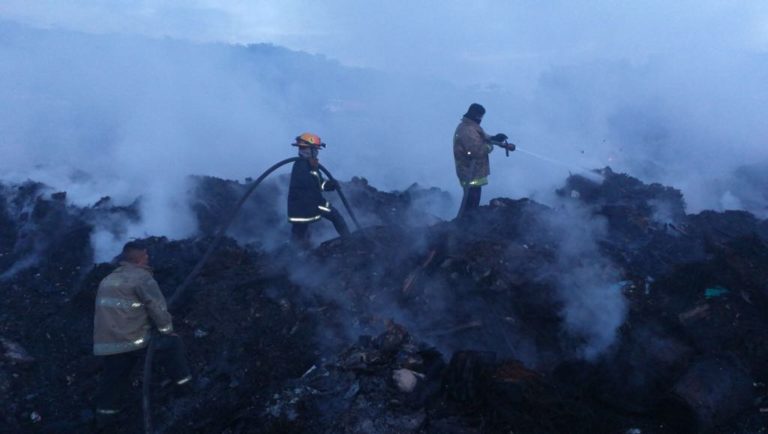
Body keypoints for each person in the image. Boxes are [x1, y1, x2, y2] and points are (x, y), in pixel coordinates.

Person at [93, 241, 191, 421]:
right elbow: (156, 308)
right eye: (146, 255)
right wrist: (166, 330)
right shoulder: (142, 278)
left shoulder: (107, 280)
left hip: (107, 344)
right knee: (173, 344)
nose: (148, 258)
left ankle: (105, 418)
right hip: (132, 341)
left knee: (112, 381)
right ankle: (185, 387)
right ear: (140, 258)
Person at [287, 132, 350, 246]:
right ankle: (349, 241)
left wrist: (330, 185)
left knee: (299, 234)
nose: (316, 152)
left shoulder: (309, 165)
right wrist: (319, 204)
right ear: (308, 150)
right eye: (315, 149)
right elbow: (309, 186)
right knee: (336, 217)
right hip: (307, 204)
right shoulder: (301, 165)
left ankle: (295, 255)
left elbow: (319, 183)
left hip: (305, 205)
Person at [453, 103, 512, 216]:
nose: (481, 119)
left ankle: (467, 223)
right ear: (475, 115)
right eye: (480, 116)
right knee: (470, 203)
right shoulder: (467, 130)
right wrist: (490, 146)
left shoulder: (471, 126)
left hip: (474, 173)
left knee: (472, 202)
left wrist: (494, 138)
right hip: (469, 173)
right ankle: (464, 225)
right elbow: (477, 150)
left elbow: (480, 137)